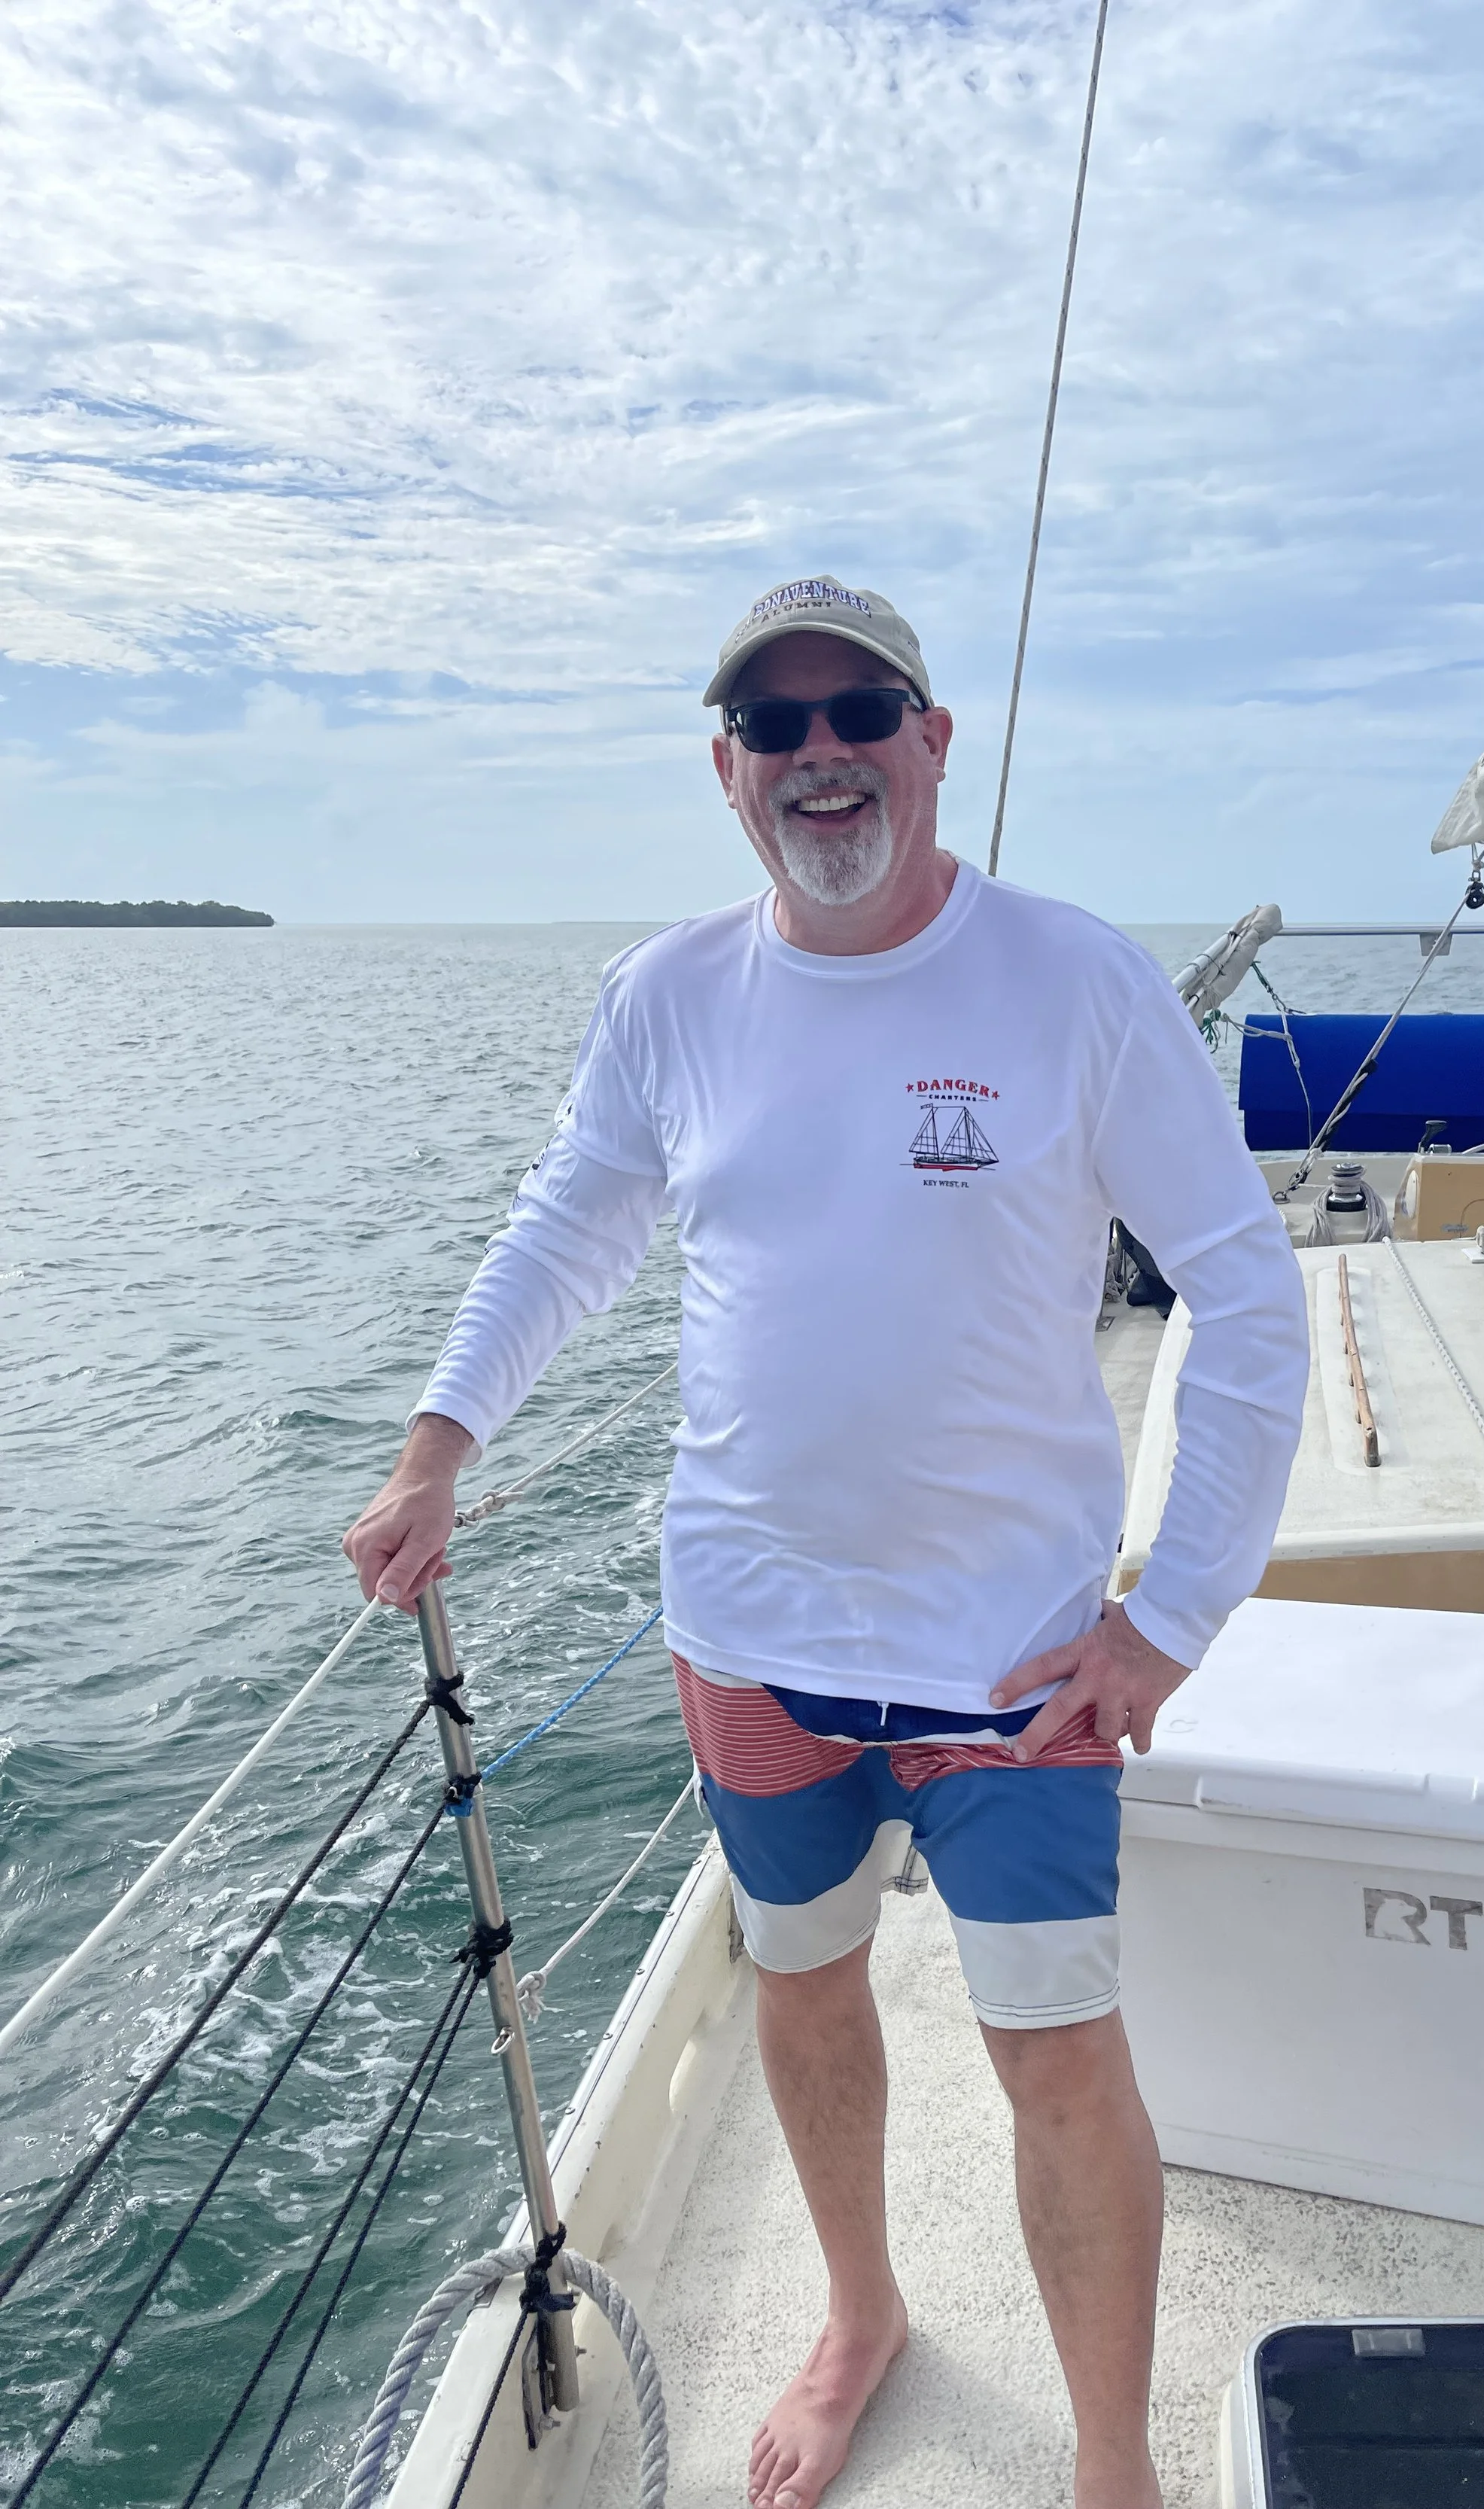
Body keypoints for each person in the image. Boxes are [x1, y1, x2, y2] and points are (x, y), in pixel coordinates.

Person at [342, 574, 1309, 2509]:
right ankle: (859, 2313)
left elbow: (1248, 1298)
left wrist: (1172, 1617)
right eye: (774, 728)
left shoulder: (1078, 981)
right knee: (801, 1978)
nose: (822, 755)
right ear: (727, 772)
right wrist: (440, 1446)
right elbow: (566, 1233)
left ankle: (1110, 2465)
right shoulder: (667, 997)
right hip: (753, 1638)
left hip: (1014, 1666)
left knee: (1055, 2058)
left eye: (861, 709)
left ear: (931, 740)